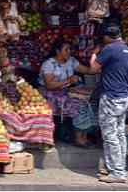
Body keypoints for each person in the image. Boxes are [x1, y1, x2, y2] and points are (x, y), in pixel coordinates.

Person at [39, 39, 97, 147]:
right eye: (66, 49)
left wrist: (96, 58)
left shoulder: (71, 61)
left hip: (66, 91)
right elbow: (49, 85)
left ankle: (84, 135)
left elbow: (89, 70)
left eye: (70, 49)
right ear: (57, 51)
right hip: (50, 93)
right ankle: (78, 138)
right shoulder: (49, 64)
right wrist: (68, 81)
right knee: (78, 106)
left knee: (88, 101)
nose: (69, 51)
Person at [90, 23, 128, 183]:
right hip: (123, 97)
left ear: (107, 37)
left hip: (111, 98)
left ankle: (117, 173)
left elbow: (93, 68)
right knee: (119, 134)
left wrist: (94, 53)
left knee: (110, 135)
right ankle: (121, 168)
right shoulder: (126, 49)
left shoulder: (109, 49)